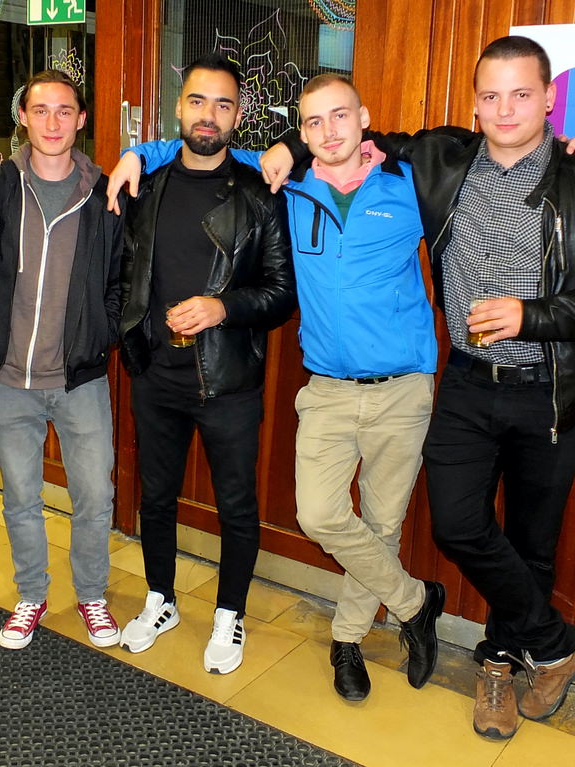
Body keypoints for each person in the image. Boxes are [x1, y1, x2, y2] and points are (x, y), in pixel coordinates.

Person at [264, 35, 575, 740]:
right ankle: (417, 603)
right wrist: (279, 142)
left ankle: (486, 658)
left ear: (549, 98)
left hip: (530, 389)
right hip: (446, 381)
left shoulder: (425, 183)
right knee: (424, 522)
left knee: (518, 538)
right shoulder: (435, 164)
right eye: (491, 96)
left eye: (521, 94)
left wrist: (531, 316)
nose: (504, 108)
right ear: (474, 104)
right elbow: (224, 153)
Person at [109, 74, 447, 700]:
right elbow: (204, 145)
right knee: (319, 515)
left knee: (382, 523)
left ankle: (348, 638)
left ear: (364, 117)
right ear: (300, 133)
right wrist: (139, 151)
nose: (329, 131)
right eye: (313, 122)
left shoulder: (409, 185)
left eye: (340, 116)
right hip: (327, 387)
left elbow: (472, 157)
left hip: (402, 387)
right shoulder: (285, 185)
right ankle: (415, 601)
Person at [116, 53, 295, 674]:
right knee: (156, 498)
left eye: (223, 104)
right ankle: (160, 599)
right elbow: (125, 273)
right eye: (198, 101)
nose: (209, 115)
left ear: (238, 115)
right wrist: (129, 336)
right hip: (154, 375)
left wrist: (223, 307)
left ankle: (229, 613)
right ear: (179, 108)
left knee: (236, 507)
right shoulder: (144, 186)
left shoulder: (260, 194)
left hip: (229, 382)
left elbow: (282, 294)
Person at [0, 71, 124, 650]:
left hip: (80, 379)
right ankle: (32, 593)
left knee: (95, 497)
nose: (53, 122)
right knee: (20, 497)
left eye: (65, 111)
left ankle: (92, 594)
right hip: (7, 378)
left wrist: (100, 335)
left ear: (82, 119)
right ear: (22, 117)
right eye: (41, 110)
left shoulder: (106, 195)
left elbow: (120, 280)